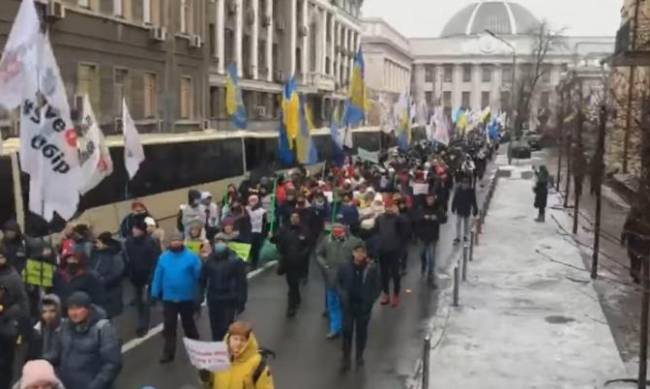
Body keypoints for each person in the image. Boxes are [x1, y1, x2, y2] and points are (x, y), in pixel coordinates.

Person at [45, 292, 122, 389]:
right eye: (71, 308)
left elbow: (112, 364)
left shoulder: (102, 329)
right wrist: (40, 362)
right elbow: (56, 354)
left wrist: (96, 386)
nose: (74, 313)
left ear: (88, 309)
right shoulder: (65, 327)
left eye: (78, 308)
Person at [150, 232, 202, 363]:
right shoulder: (163, 258)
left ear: (182, 241)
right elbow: (158, 276)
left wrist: (199, 294)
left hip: (187, 297)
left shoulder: (192, 257)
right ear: (169, 243)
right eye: (173, 241)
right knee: (169, 326)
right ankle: (168, 353)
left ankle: (196, 350)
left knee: (189, 325)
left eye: (178, 240)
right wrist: (154, 293)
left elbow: (199, 277)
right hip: (169, 298)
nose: (176, 243)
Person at [336, 243, 380, 371]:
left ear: (365, 254)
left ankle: (359, 355)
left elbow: (377, 286)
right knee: (347, 331)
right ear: (353, 253)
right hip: (348, 305)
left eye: (362, 252)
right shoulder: (344, 267)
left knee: (361, 333)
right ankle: (345, 358)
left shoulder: (371, 268)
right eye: (357, 252)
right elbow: (338, 283)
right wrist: (342, 295)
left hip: (363, 307)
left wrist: (370, 300)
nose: (360, 254)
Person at [316, 224, 362, 339]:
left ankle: (346, 327)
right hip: (331, 278)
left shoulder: (354, 242)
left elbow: (362, 255)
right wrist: (324, 265)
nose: (336, 234)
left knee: (346, 305)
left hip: (348, 280)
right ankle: (335, 328)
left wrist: (356, 265)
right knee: (333, 304)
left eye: (339, 232)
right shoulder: (326, 240)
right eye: (334, 231)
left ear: (345, 231)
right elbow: (319, 254)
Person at [199, 237, 248, 341]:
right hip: (214, 298)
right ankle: (217, 349)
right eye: (217, 242)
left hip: (229, 298)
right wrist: (199, 296)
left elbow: (241, 282)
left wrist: (241, 301)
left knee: (226, 327)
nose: (219, 244)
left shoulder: (235, 260)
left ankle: (227, 347)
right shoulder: (209, 261)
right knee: (215, 327)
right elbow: (202, 279)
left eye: (222, 242)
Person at [210, 321, 274, 389]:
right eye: (235, 339)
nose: (238, 343)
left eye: (243, 340)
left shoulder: (258, 366)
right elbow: (210, 383)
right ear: (229, 339)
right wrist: (204, 378)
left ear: (248, 343)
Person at [124, 219, 161, 337]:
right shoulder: (129, 242)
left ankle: (143, 324)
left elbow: (156, 260)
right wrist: (129, 272)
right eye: (133, 228)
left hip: (147, 277)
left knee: (145, 302)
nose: (133, 230)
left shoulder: (151, 242)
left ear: (142, 230)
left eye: (136, 228)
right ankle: (141, 319)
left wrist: (152, 276)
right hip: (135, 277)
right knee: (139, 301)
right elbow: (127, 259)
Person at [0, 244, 29, 389]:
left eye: (1, 257)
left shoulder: (13, 276)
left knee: (5, 363)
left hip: (7, 327)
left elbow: (22, 301)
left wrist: (8, 312)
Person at [373, 201, 408, 307]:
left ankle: (396, 295)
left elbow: (405, 233)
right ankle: (386, 294)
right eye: (387, 207)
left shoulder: (399, 219)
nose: (389, 209)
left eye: (391, 207)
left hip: (395, 250)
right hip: (383, 250)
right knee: (384, 275)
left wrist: (401, 249)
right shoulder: (380, 218)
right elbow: (375, 232)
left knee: (395, 274)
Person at [276, 212, 310, 318]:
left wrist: (302, 256)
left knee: (294, 282)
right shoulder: (284, 229)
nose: (294, 219)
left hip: (299, 261)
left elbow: (308, 245)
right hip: (287, 261)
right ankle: (294, 302)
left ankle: (293, 304)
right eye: (292, 217)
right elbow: (278, 241)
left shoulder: (304, 230)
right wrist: (272, 237)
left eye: (296, 217)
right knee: (291, 283)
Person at [89, 233, 125, 320]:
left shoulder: (114, 255)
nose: (96, 245)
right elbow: (90, 268)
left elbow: (116, 273)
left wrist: (101, 281)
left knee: (109, 318)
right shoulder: (95, 254)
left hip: (111, 292)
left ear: (105, 243)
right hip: (99, 293)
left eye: (98, 242)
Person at [415, 194, 444, 287]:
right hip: (422, 237)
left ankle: (430, 276)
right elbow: (416, 218)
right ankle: (423, 263)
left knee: (431, 257)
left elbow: (443, 218)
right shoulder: (421, 208)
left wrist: (436, 218)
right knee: (422, 253)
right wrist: (423, 217)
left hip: (432, 237)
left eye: (432, 199)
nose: (430, 201)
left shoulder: (438, 208)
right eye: (429, 199)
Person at [27, 294, 62, 360]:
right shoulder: (37, 328)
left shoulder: (65, 328)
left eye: (52, 311)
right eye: (44, 312)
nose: (48, 315)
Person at [621, 206, 650, 284]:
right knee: (636, 259)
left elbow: (625, 230)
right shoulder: (631, 221)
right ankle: (636, 275)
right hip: (636, 243)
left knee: (637, 259)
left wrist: (623, 240)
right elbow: (625, 230)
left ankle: (636, 275)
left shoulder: (637, 223)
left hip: (640, 244)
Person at [451, 175, 478, 244]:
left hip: (466, 209)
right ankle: (458, 237)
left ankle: (465, 235)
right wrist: (453, 207)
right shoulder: (458, 190)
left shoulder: (471, 191)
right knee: (458, 223)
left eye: (466, 184)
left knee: (466, 223)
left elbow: (473, 201)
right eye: (464, 183)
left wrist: (475, 209)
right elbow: (455, 199)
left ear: (468, 184)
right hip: (459, 209)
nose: (465, 185)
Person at [246, 195, 268, 269]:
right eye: (251, 201)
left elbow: (265, 222)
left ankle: (255, 263)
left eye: (255, 200)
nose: (253, 202)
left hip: (259, 232)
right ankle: (250, 261)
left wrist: (265, 231)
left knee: (257, 248)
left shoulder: (262, 211)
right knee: (250, 247)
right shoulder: (247, 209)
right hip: (249, 231)